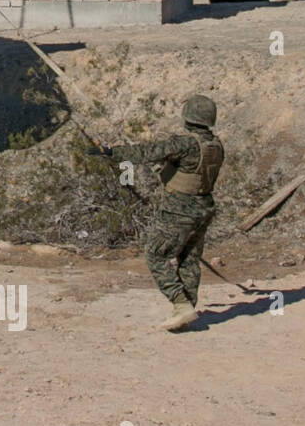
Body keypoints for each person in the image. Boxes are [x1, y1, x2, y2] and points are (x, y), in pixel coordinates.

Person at [91, 95, 225, 331]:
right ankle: (186, 309)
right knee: (189, 260)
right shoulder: (215, 145)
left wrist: (112, 152)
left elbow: (146, 152)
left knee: (156, 254)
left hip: (179, 209)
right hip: (204, 207)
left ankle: (180, 304)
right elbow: (189, 169)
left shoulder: (185, 143)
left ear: (188, 117)